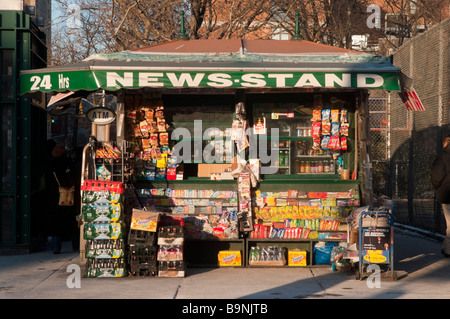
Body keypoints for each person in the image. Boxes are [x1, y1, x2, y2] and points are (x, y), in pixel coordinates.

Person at [46, 144, 79, 254]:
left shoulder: (50, 165)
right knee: (73, 222)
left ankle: (56, 247)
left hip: (55, 197)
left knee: (56, 224)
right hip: (70, 196)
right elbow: (74, 178)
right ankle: (75, 245)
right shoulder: (69, 163)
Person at [431, 135, 450, 258]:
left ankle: (448, 249)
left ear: (446, 143)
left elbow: (436, 176)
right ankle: (446, 247)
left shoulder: (442, 157)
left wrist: (438, 187)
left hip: (447, 194)